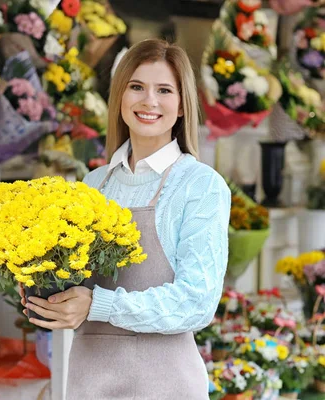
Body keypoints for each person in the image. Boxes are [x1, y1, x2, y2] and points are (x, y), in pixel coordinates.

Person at [21, 39, 231, 399]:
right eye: (136, 87)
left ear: (182, 106)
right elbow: (75, 283)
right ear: (120, 96)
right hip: (90, 379)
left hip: (165, 383)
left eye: (164, 90)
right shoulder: (94, 183)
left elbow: (197, 302)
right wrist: (42, 289)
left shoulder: (199, 185)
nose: (149, 101)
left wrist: (98, 305)